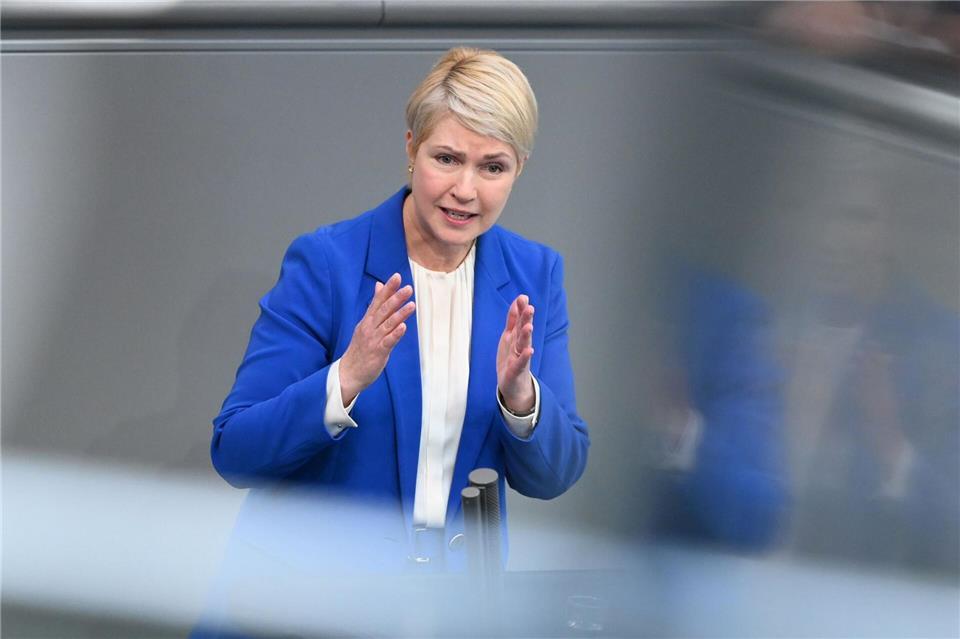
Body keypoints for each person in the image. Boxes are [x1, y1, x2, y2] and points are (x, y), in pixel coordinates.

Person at [209, 47, 590, 573]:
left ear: (519, 168)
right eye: (447, 158)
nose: (465, 189)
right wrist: (345, 377)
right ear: (412, 148)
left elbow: (556, 473)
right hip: (310, 603)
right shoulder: (328, 263)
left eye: (493, 166)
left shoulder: (534, 275)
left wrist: (520, 398)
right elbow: (235, 451)